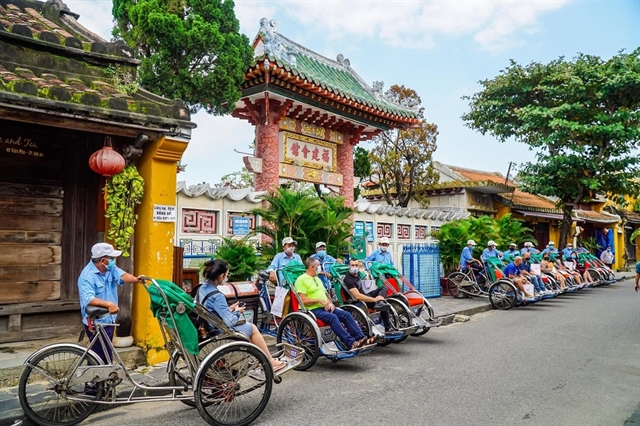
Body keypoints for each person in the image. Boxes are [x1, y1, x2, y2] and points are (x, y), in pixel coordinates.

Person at [200, 259, 287, 371]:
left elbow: (210, 308)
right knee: (252, 328)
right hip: (217, 332)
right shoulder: (217, 296)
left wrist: (228, 309)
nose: (227, 277)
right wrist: (236, 311)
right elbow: (230, 321)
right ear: (221, 276)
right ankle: (269, 361)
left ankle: (259, 358)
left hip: (207, 327)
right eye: (227, 275)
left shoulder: (202, 288)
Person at [77, 243, 144, 363]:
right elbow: (88, 299)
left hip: (108, 320)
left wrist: (136, 280)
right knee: (100, 356)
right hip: (95, 322)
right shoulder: (87, 276)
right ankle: (95, 380)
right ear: (103, 260)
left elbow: (122, 275)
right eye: (111, 258)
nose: (113, 261)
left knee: (104, 354)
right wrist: (108, 304)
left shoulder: (109, 269)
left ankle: (98, 380)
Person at [295, 258, 375, 349]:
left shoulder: (316, 278)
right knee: (333, 317)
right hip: (312, 309)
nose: (320, 268)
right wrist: (319, 301)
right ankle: (351, 343)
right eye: (318, 266)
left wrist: (330, 303)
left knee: (346, 314)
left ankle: (361, 339)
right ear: (312, 267)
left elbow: (325, 294)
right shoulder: (301, 279)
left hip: (325, 307)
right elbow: (303, 300)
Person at [344, 258, 394, 333]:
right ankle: (387, 328)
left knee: (384, 288)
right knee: (383, 305)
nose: (355, 267)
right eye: (353, 265)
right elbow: (357, 296)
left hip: (366, 295)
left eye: (356, 265)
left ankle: (379, 302)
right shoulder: (348, 279)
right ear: (349, 267)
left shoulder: (358, 276)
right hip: (359, 301)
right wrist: (374, 300)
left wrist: (378, 298)